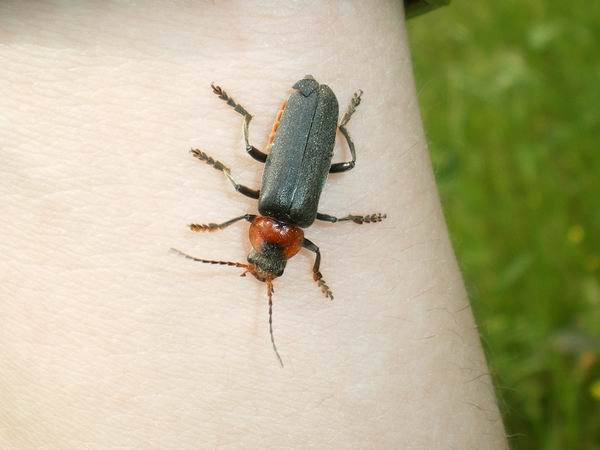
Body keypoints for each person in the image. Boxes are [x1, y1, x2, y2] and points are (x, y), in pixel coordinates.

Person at [0, 1, 507, 448]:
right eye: (272, 263)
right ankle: (316, 119)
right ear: (280, 251)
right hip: (313, 114)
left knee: (268, 157)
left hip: (309, 114)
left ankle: (306, 119)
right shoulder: (281, 216)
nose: (265, 257)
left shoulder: (286, 221)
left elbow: (283, 230)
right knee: (306, 164)